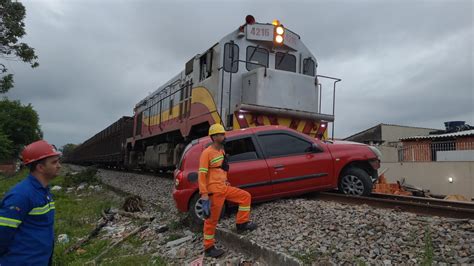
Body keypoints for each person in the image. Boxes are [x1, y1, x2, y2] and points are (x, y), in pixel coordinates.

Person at [198, 124, 257, 258]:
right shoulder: (206, 153)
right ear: (213, 137)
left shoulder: (222, 151)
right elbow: (201, 174)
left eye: (223, 134)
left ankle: (242, 224)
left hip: (223, 187)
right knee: (212, 220)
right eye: (220, 135)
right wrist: (204, 194)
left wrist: (225, 180)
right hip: (214, 191)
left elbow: (221, 170)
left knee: (245, 197)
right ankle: (208, 247)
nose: (223, 136)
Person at [0, 140, 61, 265]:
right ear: (40, 167)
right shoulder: (21, 195)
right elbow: (2, 234)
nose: (59, 166)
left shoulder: (43, 191)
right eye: (54, 162)